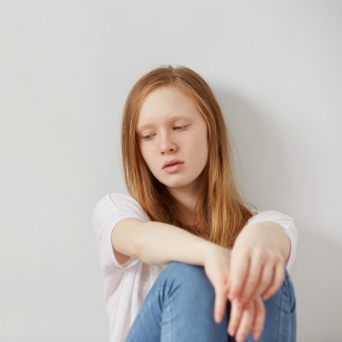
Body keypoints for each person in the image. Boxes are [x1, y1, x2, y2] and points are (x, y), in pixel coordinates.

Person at [93, 66, 297, 342]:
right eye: (149, 136)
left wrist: (255, 239)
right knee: (189, 274)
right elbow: (141, 239)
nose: (166, 145)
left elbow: (275, 236)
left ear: (210, 130)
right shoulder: (118, 210)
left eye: (179, 127)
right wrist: (210, 254)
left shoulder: (265, 222)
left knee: (265, 271)